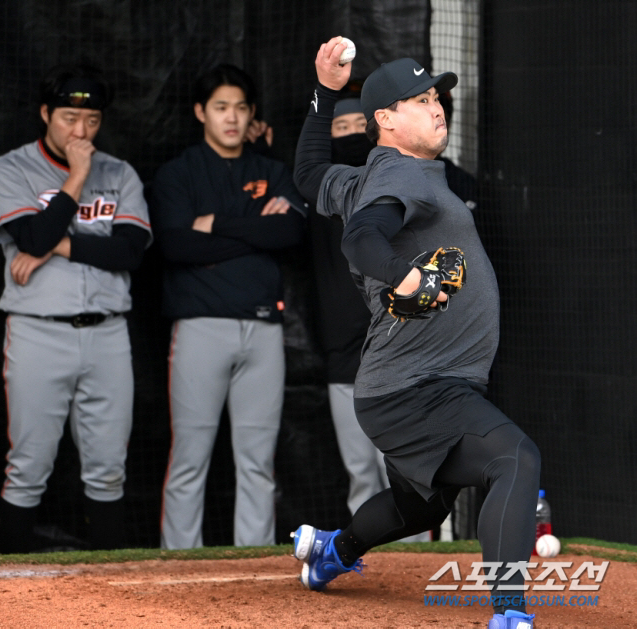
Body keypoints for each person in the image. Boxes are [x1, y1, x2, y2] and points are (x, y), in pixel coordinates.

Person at [291, 37, 540, 629]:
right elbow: (360, 240)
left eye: (438, 98)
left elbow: (306, 175)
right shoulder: (401, 179)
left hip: (403, 387)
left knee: (416, 506)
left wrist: (325, 91)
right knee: (515, 458)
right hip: (417, 387)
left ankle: (332, 553)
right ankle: (509, 614)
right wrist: (406, 277)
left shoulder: (366, 179)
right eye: (421, 99)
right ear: (385, 119)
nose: (438, 108)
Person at [0, 64, 152, 553]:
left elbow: (128, 253)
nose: (80, 132)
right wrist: (77, 177)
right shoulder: (11, 168)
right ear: (45, 114)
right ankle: (11, 592)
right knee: (28, 465)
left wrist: (53, 246)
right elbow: (32, 235)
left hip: (107, 334)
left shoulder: (120, 172)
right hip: (39, 332)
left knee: (107, 468)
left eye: (92, 120)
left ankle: (111, 592)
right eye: (68, 118)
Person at [151, 64, 307, 549]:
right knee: (189, 459)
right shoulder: (178, 173)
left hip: (262, 330)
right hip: (200, 328)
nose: (232, 118)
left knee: (258, 462)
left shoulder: (272, 171)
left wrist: (214, 224)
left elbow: (289, 232)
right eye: (221, 107)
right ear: (201, 112)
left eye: (241, 108)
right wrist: (252, 229)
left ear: (252, 113)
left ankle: (253, 565)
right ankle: (179, 564)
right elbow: (175, 246)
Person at [308, 95, 389, 517]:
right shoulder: (319, 200)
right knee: (360, 472)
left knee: (403, 473)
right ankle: (369, 561)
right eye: (341, 128)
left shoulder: (396, 187)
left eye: (362, 126)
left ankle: (413, 564)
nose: (354, 135)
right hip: (343, 355)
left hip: (394, 348)